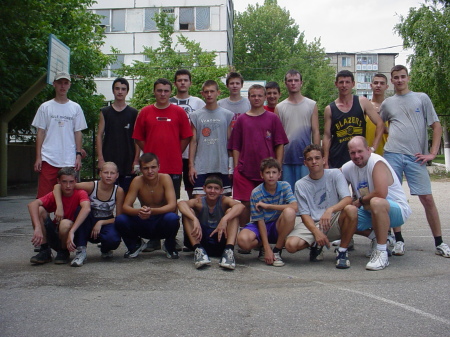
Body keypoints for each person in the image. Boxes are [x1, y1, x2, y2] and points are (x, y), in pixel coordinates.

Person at [380, 65, 450, 257]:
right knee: (392, 198)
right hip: (392, 154)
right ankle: (399, 240)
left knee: (427, 198)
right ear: (392, 81)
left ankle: (440, 242)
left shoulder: (421, 98)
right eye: (396, 77)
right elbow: (381, 126)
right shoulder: (388, 103)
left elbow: (436, 126)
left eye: (403, 77)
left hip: (416, 157)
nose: (400, 80)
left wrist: (432, 153)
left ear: (408, 78)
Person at [342, 136, 412, 270]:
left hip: (395, 210)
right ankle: (377, 237)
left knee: (376, 202)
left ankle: (382, 253)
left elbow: (381, 193)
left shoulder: (376, 162)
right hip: (369, 211)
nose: (356, 156)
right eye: (352, 153)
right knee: (343, 215)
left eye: (360, 151)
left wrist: (359, 201)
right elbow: (335, 180)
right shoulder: (348, 168)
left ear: (368, 150)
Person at [285, 144, 358, 269]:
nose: (314, 161)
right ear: (305, 163)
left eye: (317, 158)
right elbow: (304, 214)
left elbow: (347, 199)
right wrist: (316, 232)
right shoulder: (300, 184)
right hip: (313, 222)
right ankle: (316, 245)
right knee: (291, 246)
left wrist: (330, 209)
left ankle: (342, 251)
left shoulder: (335, 174)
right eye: (310, 159)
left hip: (333, 220)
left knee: (351, 210)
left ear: (324, 160)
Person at [228, 84, 289, 225]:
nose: (256, 98)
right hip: (245, 170)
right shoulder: (241, 120)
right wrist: (237, 167)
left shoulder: (273, 118)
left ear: (265, 97)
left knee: (265, 204)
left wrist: (278, 165)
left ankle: (264, 237)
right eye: (253, 95)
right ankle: (244, 234)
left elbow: (279, 143)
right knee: (245, 204)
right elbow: (235, 146)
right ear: (248, 98)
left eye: (260, 95)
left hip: (267, 172)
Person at [53, 162, 124, 266]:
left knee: (113, 240)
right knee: (81, 210)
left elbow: (118, 217)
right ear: (100, 174)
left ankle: (105, 249)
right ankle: (81, 251)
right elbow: (58, 186)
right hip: (87, 221)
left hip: (105, 222)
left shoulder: (118, 191)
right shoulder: (92, 186)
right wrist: (59, 206)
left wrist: (100, 222)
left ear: (117, 175)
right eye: (106, 172)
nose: (109, 176)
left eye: (112, 173)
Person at [132, 78, 193, 200]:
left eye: (166, 91)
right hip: (150, 166)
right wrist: (149, 151)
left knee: (172, 200)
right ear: (154, 92)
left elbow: (187, 137)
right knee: (150, 199)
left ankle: (173, 220)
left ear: (171, 92)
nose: (163, 94)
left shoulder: (179, 112)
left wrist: (175, 151)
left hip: (173, 165)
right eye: (159, 90)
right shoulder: (145, 112)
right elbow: (138, 137)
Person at [32, 72, 87, 198]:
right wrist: (38, 157)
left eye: (66, 83)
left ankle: (65, 218)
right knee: (43, 198)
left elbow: (78, 132)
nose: (63, 86)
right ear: (54, 84)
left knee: (68, 197)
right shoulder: (45, 107)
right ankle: (43, 218)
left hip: (68, 159)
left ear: (69, 85)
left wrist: (78, 156)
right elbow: (40, 132)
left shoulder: (75, 107)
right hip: (48, 158)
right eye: (60, 83)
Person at [114, 153, 180, 259]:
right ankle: (135, 244)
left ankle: (169, 245)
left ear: (159, 167)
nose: (150, 171)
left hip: (161, 221)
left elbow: (172, 205)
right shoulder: (137, 181)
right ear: (140, 169)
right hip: (144, 220)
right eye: (146, 168)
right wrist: (139, 211)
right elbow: (126, 206)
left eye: (153, 167)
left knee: (173, 218)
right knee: (120, 219)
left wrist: (152, 211)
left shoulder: (165, 178)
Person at [237, 158, 297, 267]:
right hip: (262, 224)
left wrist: (269, 206)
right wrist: (266, 247)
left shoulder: (285, 186)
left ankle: (277, 250)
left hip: (278, 224)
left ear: (279, 174)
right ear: (261, 175)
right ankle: (264, 248)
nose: (271, 176)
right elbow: (260, 221)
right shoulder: (256, 193)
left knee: (290, 212)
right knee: (242, 241)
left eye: (274, 172)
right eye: (267, 172)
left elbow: (294, 206)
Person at [178, 176, 245, 270]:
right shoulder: (199, 201)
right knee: (188, 213)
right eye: (209, 187)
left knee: (232, 212)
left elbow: (240, 206)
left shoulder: (224, 200)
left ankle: (228, 251)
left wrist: (224, 219)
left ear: (221, 190)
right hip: (201, 238)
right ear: (204, 188)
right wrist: (194, 219)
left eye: (216, 188)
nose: (212, 191)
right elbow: (181, 204)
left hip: (220, 239)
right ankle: (199, 251)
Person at [28, 167, 90, 265]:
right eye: (64, 182)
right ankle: (45, 250)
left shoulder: (80, 193)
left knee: (65, 223)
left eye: (71, 182)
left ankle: (64, 252)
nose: (68, 186)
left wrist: (72, 231)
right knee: (39, 209)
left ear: (76, 181)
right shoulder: (56, 193)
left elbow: (86, 208)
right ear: (58, 181)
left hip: (71, 236)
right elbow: (32, 205)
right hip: (55, 232)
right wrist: (38, 227)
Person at [323, 70, 384, 169]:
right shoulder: (330, 109)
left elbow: (380, 124)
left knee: (363, 185)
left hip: (359, 157)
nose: (344, 85)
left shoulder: (362, 102)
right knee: (339, 185)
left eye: (347, 82)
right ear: (336, 84)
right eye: (341, 82)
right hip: (337, 158)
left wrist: (373, 148)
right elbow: (327, 137)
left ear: (353, 84)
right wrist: (325, 160)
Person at [275, 69, 321, 191]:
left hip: (306, 159)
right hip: (286, 158)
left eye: (296, 80)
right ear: (285, 83)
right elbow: (277, 137)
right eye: (290, 80)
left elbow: (316, 131)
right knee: (288, 194)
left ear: (301, 82)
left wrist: (316, 156)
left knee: (307, 192)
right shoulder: (279, 107)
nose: (293, 83)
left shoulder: (311, 105)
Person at [189, 80, 234, 197]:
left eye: (212, 91)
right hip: (202, 166)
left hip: (222, 165)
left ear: (218, 93)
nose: (209, 94)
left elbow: (230, 142)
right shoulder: (195, 115)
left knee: (224, 203)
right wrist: (191, 166)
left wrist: (231, 165)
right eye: (206, 92)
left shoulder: (227, 114)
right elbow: (193, 142)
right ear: (202, 94)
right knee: (199, 201)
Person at [96, 78, 139, 193]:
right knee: (107, 194)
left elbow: (137, 138)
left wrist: (136, 160)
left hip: (128, 161)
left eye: (123, 89)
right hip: (109, 159)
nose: (120, 91)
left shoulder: (134, 113)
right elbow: (99, 135)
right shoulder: (105, 112)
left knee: (126, 195)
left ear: (127, 91)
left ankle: (122, 212)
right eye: (117, 88)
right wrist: (100, 159)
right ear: (113, 90)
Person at [169, 69, 206, 199]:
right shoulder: (168, 102)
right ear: (175, 83)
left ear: (190, 83)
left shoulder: (199, 102)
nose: (182, 83)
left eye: (185, 80)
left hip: (193, 154)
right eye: (179, 80)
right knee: (171, 192)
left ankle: (193, 218)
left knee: (194, 191)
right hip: (174, 153)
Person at [366, 74, 389, 155]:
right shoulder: (365, 107)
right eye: (376, 83)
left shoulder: (391, 107)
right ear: (371, 86)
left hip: (387, 153)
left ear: (387, 86)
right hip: (368, 153)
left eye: (382, 83)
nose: (378, 85)